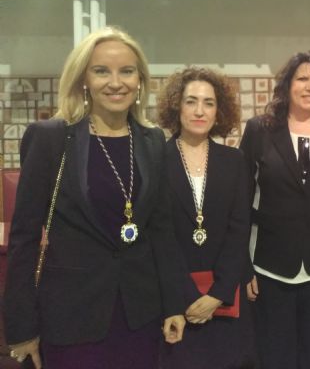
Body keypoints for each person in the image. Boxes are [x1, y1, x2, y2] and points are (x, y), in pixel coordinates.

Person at [3, 27, 185, 369]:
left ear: (140, 80)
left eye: (126, 71)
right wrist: (22, 328)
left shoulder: (152, 141)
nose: (115, 82)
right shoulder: (50, 138)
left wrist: (174, 303)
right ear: (83, 78)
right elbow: (24, 238)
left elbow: (162, 232)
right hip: (71, 317)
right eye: (102, 71)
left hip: (139, 316)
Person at [239, 51, 310, 369]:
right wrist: (243, 266)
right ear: (287, 85)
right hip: (270, 266)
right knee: (274, 355)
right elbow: (241, 201)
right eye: (302, 78)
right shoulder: (259, 129)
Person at [157, 67, 255, 368]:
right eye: (191, 101)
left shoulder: (234, 161)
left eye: (209, 103)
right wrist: (184, 297)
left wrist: (218, 294)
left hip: (226, 296)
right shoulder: (156, 158)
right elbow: (160, 237)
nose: (200, 110)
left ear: (219, 110)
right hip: (174, 298)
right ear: (177, 106)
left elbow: (239, 230)